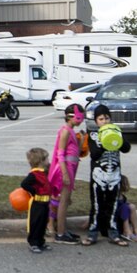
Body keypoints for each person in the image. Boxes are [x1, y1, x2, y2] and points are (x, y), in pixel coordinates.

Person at [82, 105, 125, 247]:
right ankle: (92, 233)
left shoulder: (117, 132)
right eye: (101, 119)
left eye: (107, 118)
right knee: (96, 205)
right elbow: (94, 154)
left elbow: (127, 148)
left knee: (112, 205)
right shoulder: (93, 134)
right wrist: (104, 143)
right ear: (96, 121)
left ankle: (114, 232)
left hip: (114, 174)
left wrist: (118, 139)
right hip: (98, 176)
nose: (105, 121)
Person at [47, 103, 86, 244]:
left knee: (65, 201)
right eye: (78, 117)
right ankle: (60, 233)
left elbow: (76, 152)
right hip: (64, 169)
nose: (81, 120)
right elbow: (60, 154)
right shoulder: (65, 131)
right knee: (63, 202)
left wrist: (81, 141)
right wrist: (64, 174)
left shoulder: (71, 131)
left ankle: (63, 230)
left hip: (71, 167)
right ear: (70, 117)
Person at [22, 147, 52, 252]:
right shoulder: (34, 174)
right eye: (47, 159)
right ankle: (33, 242)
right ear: (40, 161)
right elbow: (24, 184)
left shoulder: (44, 172)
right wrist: (34, 192)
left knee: (43, 223)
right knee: (36, 223)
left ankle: (41, 242)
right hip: (37, 203)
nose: (49, 161)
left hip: (45, 203)